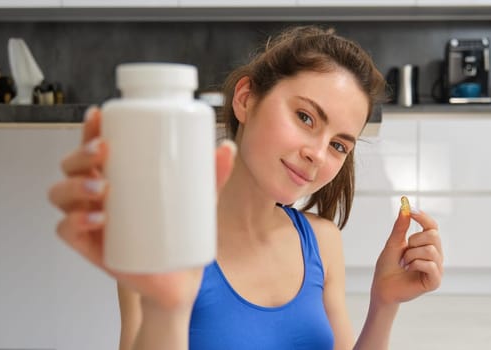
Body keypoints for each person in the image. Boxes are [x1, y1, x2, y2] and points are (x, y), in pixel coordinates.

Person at [48, 25, 444, 350]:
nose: (318, 155)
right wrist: (165, 309)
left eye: (339, 144)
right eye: (305, 117)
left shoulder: (321, 241)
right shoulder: (165, 239)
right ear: (246, 99)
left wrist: (384, 304)